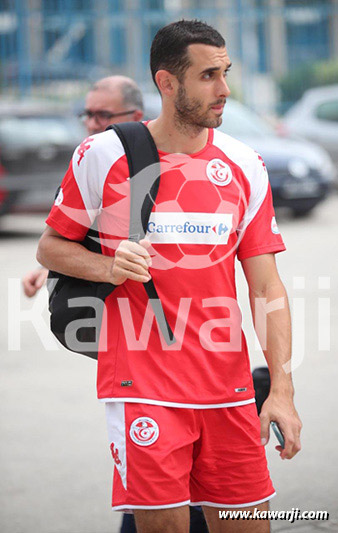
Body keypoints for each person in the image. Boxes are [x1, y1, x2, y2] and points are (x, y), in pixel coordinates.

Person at [37, 20, 302, 533]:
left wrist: (283, 391)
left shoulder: (246, 164)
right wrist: (108, 267)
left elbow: (266, 286)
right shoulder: (103, 154)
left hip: (229, 387)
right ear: (167, 83)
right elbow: (51, 247)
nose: (224, 89)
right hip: (143, 384)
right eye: (208, 76)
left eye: (225, 73)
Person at [22, 75, 144, 297]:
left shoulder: (153, 166)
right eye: (88, 114)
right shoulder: (87, 159)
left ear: (136, 116)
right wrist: (47, 267)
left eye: (103, 115)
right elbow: (64, 239)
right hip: (93, 312)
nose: (92, 123)